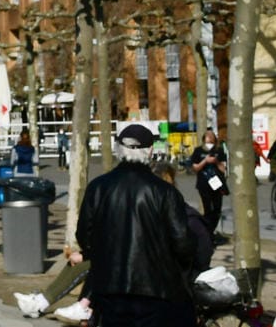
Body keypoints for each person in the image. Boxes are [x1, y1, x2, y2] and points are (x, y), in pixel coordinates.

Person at [70, 122, 197, 326]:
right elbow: (182, 242)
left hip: (109, 285)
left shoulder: (98, 187)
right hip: (154, 288)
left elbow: (84, 235)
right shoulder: (165, 192)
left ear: (118, 149)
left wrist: (101, 257)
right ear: (151, 152)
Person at [187, 130, 228, 235]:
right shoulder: (198, 150)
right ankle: (207, 233)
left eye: (211, 135)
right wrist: (205, 161)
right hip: (204, 183)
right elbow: (195, 167)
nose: (209, 137)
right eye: (207, 135)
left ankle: (209, 231)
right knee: (207, 209)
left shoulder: (219, 150)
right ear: (204, 138)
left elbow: (224, 169)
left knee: (217, 209)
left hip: (217, 184)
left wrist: (216, 161)